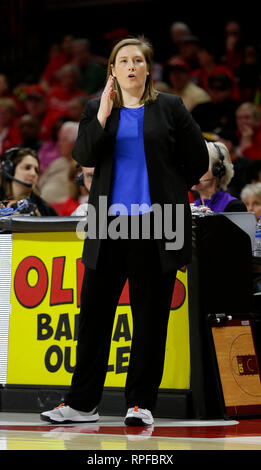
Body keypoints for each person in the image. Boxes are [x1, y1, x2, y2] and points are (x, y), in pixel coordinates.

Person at [40, 36, 208, 426]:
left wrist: (168, 186)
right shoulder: (95, 109)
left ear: (148, 69)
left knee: (149, 319)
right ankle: (82, 404)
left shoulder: (169, 107)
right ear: (112, 70)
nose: (131, 66)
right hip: (108, 226)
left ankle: (140, 404)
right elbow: (83, 155)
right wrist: (102, 111)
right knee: (95, 317)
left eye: (138, 60)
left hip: (155, 225)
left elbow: (198, 157)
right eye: (123, 61)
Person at [191, 141, 247, 212]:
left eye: (200, 166)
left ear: (217, 170)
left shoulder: (234, 206)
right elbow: (177, 223)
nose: (192, 171)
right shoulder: (192, 206)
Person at [0, 147, 57, 216]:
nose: (33, 174)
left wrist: (39, 222)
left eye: (36, 170)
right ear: (10, 170)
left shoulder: (45, 209)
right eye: (27, 168)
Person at [38, 121, 79, 204]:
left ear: (75, 142)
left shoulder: (80, 167)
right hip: (41, 207)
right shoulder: (58, 162)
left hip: (63, 212)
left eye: (64, 140)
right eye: (59, 140)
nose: (59, 144)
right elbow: (39, 185)